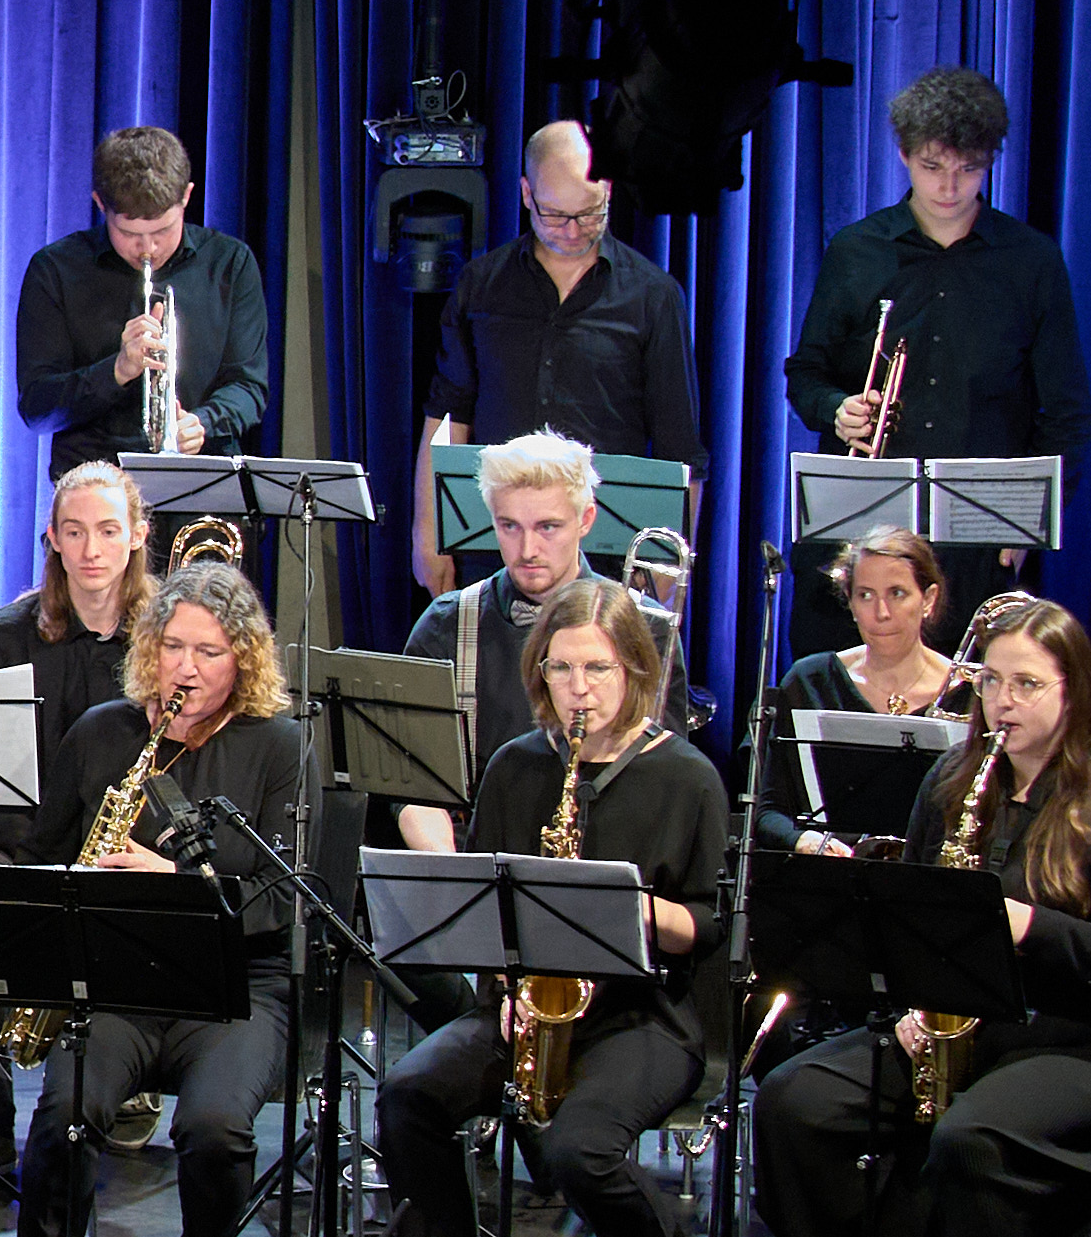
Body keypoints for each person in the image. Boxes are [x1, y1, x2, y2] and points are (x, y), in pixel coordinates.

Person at [755, 597, 1091, 1237]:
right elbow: (913, 919)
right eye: (992, 682)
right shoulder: (957, 782)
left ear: (1075, 691)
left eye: (1027, 685)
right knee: (794, 1102)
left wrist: (1031, 926)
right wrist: (914, 1009)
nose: (1003, 702)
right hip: (964, 1021)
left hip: (1085, 1042)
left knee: (969, 1138)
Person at [375, 578, 728, 1237]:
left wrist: (638, 909)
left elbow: (709, 927)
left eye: (598, 670)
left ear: (637, 672)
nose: (580, 689)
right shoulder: (520, 765)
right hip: (529, 1005)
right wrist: (503, 999)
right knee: (409, 1094)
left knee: (579, 1148)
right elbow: (487, 905)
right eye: (563, 670)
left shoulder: (686, 778)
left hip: (644, 1015)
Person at [7, 558, 317, 1237]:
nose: (187, 668)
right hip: (118, 979)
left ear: (244, 661)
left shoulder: (278, 748)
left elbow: (287, 900)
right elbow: (40, 853)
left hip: (237, 987)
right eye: (174, 646)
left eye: (210, 653)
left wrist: (177, 883)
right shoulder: (106, 732)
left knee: (214, 1129)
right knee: (64, 1111)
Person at [779, 67, 1091, 638]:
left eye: (968, 169)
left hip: (975, 547)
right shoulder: (857, 250)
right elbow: (805, 374)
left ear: (990, 160)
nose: (949, 187)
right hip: (860, 534)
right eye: (932, 167)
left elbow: (1068, 415)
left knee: (966, 716)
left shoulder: (1032, 262)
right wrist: (836, 409)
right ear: (903, 154)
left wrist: (1027, 526)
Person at [410, 120, 705, 597]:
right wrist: (428, 535)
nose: (572, 231)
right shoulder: (480, 285)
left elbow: (681, 449)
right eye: (555, 215)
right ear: (527, 194)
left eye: (589, 214)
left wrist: (668, 565)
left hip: (604, 555)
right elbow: (447, 416)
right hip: (496, 543)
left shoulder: (653, 296)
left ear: (608, 191)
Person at [395, 429, 692, 852]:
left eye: (548, 527)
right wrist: (453, 874)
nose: (528, 549)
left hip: (608, 862)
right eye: (509, 526)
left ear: (586, 519)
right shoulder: (447, 623)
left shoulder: (649, 628)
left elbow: (668, 778)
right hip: (478, 859)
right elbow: (412, 785)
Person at [12, 124, 272, 484]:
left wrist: (203, 423)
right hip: (96, 493)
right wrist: (117, 370)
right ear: (100, 204)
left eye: (163, 230)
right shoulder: (55, 269)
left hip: (202, 486)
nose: (147, 248)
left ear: (187, 197)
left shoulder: (230, 263)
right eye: (130, 234)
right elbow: (37, 408)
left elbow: (249, 386)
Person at [758, 525, 962, 858]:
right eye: (865, 595)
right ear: (850, 603)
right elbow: (769, 812)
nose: (881, 613)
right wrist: (806, 841)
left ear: (928, 599)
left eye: (897, 593)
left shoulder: (968, 691)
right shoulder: (810, 681)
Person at [0, 459, 142, 799]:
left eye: (108, 532)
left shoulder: (168, 636)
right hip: (23, 839)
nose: (91, 551)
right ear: (55, 538)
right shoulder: (9, 634)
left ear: (137, 535)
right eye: (75, 533)